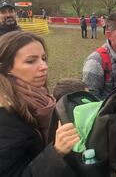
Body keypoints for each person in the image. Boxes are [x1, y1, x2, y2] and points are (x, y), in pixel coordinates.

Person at [0, 31, 80, 177]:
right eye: (31, 61)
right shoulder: (5, 117)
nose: (44, 66)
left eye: (44, 58)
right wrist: (56, 151)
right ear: (6, 68)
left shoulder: (42, 99)